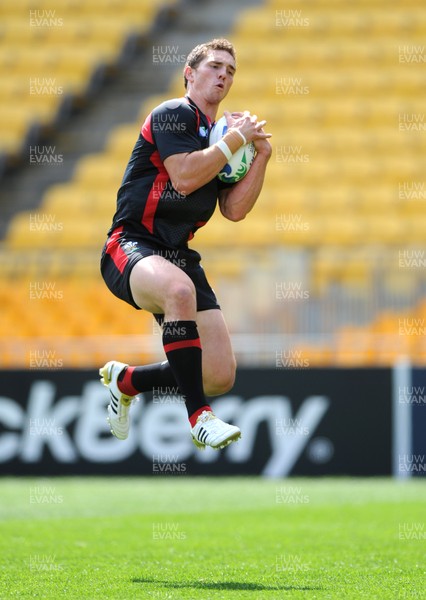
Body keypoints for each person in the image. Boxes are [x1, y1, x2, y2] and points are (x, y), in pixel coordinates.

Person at [99, 38, 272, 450]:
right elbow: (183, 177)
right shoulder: (174, 114)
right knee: (179, 291)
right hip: (131, 245)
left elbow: (234, 210)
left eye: (230, 70)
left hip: (179, 256)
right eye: (214, 66)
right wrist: (235, 141)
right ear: (189, 74)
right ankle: (199, 418)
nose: (224, 75)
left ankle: (127, 381)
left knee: (218, 375)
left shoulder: (219, 137)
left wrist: (261, 155)